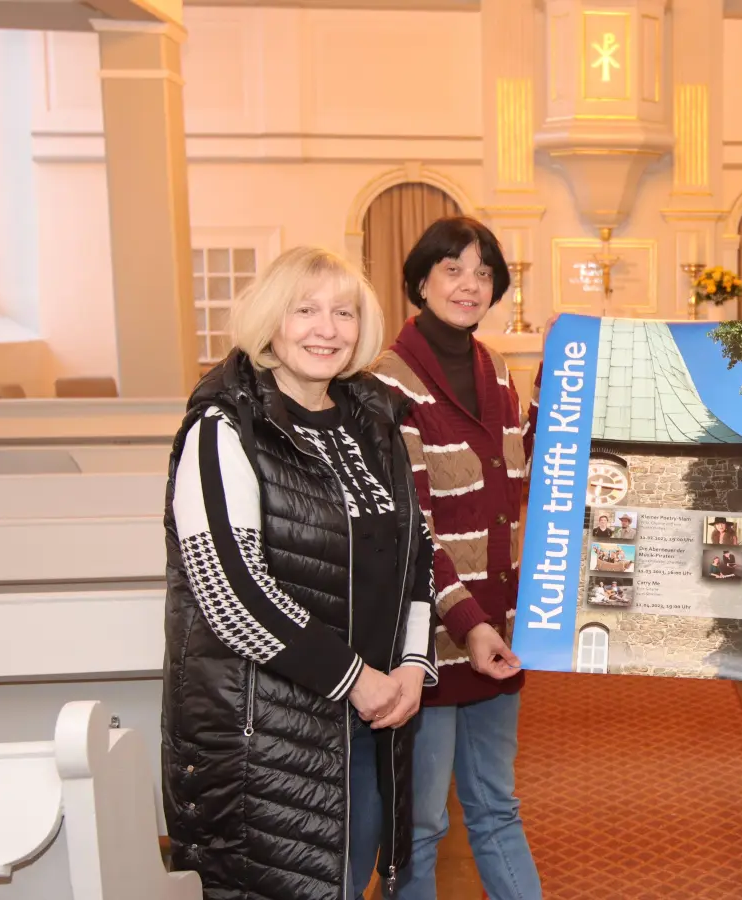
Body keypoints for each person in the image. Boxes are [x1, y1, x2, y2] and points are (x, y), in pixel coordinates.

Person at [162, 246, 437, 900]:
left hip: (370, 721)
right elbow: (232, 594)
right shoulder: (224, 426)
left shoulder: (375, 421)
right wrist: (356, 681)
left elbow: (416, 554)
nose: (328, 328)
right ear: (269, 320)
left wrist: (411, 665)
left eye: (344, 312)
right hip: (271, 741)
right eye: (305, 310)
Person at [369, 216, 542, 900]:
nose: (470, 285)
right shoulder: (386, 383)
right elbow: (411, 529)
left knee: (497, 805)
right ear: (419, 281)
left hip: (496, 629)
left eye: (484, 273)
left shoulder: (495, 370)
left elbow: (529, 480)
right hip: (431, 643)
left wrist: (572, 367)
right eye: (453, 269)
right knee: (423, 824)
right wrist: (468, 622)